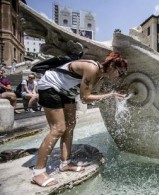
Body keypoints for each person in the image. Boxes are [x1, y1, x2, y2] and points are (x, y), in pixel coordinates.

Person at [31, 51, 128, 187]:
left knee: (70, 125)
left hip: (66, 92)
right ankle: (38, 172)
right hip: (51, 87)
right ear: (112, 66)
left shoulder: (100, 75)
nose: (119, 77)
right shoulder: (92, 68)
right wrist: (110, 95)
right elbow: (85, 98)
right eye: (120, 73)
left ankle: (65, 163)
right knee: (58, 129)